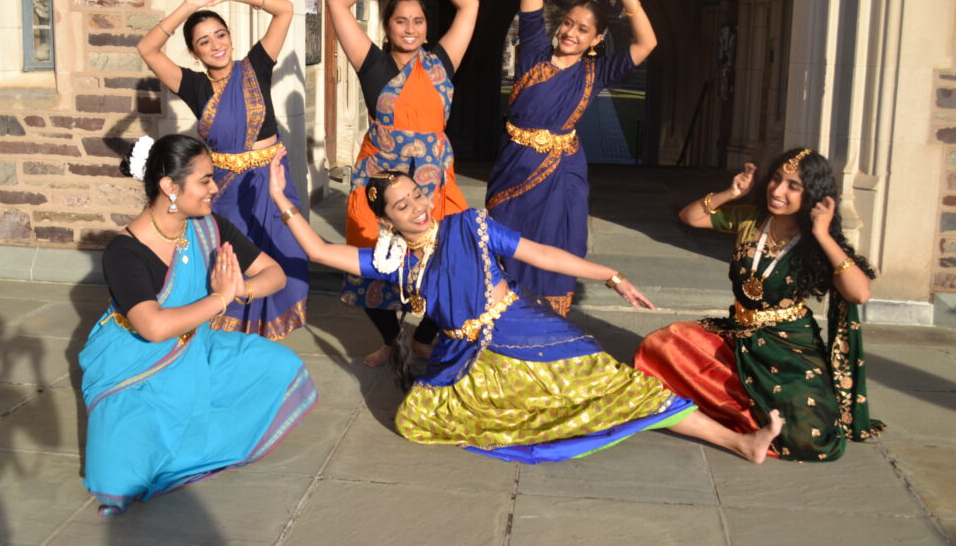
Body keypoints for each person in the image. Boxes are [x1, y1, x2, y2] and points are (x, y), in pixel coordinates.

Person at [267, 149, 783, 464]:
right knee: (415, 419)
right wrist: (281, 198)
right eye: (402, 206)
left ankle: (739, 442)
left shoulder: (470, 225)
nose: (419, 208)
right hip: (465, 356)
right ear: (388, 221)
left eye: (418, 195)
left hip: (523, 329)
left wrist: (611, 274)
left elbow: (539, 253)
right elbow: (315, 250)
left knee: (620, 385)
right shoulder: (394, 262)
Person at [79, 135, 316, 516]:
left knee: (278, 367)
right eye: (204, 180)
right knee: (117, 481)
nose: (214, 188)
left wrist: (240, 289)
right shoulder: (124, 252)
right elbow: (153, 328)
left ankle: (196, 434)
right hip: (137, 364)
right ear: (170, 186)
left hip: (196, 349)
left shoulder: (208, 227)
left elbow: (274, 274)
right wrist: (219, 299)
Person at [634, 148, 884, 461]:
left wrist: (822, 233)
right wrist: (730, 192)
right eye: (776, 179)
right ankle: (743, 425)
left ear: (812, 195)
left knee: (810, 438)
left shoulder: (813, 240)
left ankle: (747, 423)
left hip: (789, 345)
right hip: (738, 331)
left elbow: (859, 294)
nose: (778, 191)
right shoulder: (752, 219)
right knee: (662, 345)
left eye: (793, 186)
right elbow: (691, 217)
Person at [328, 0, 479, 366]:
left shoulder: (443, 62)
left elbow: (470, 5)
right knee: (372, 263)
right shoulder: (371, 63)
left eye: (418, 21)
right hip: (379, 185)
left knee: (450, 262)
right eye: (400, 21)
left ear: (427, 27)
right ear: (386, 27)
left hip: (433, 184)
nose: (410, 29)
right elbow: (337, 2)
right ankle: (392, 340)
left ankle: (424, 339)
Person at [135, 0, 307, 340]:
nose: (216, 45)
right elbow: (147, 48)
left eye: (221, 35)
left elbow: (285, 9)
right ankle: (226, 333)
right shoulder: (194, 86)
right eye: (204, 41)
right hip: (225, 189)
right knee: (230, 258)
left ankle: (263, 337)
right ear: (194, 52)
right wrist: (187, 4)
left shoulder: (255, 66)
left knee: (278, 256)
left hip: (270, 183)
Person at [486, 0, 657, 316]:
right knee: (503, 241)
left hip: (562, 175)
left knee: (557, 245)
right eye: (567, 23)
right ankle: (500, 320)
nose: (571, 33)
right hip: (515, 166)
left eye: (583, 30)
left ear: (596, 40)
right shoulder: (532, 54)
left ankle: (547, 324)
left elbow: (647, 43)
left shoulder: (594, 73)